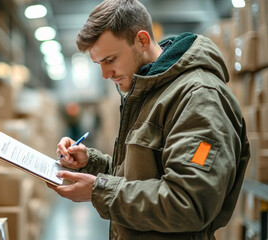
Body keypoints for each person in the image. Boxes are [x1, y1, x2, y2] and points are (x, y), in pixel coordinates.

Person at [47, 0, 250, 239]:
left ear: (142, 40)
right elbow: (140, 176)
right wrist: (90, 163)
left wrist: (98, 191)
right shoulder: (146, 92)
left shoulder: (200, 98)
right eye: (98, 63)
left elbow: (189, 202)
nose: (104, 74)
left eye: (110, 60)